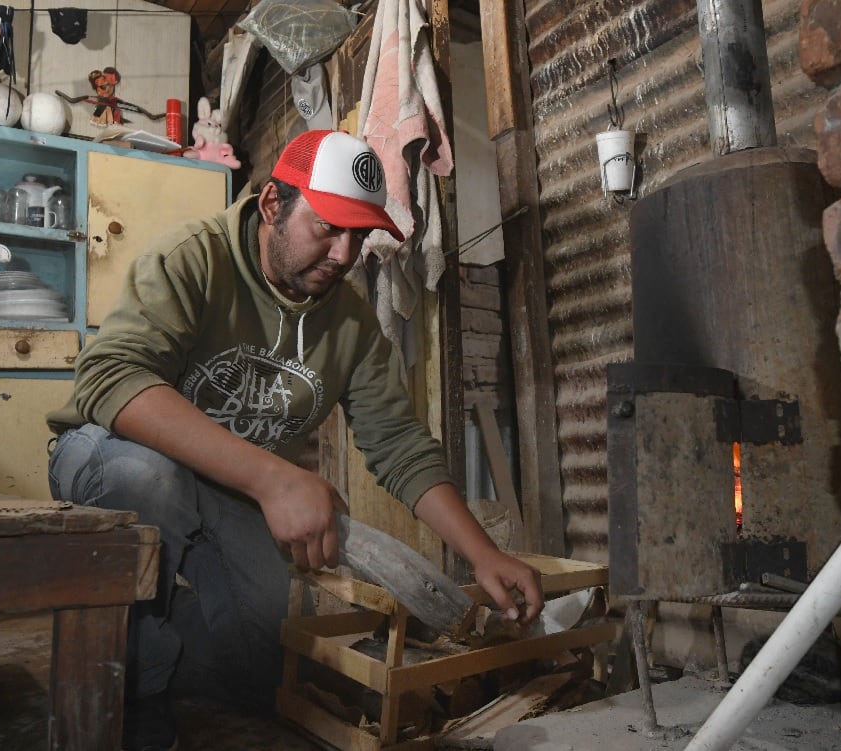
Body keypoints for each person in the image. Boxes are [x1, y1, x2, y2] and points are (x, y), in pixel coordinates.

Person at [45, 129, 543, 751]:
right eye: (328, 227)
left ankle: (140, 645)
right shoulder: (194, 258)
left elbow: (398, 444)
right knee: (149, 481)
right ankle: (124, 688)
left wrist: (482, 554)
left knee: (264, 668)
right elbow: (110, 377)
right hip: (105, 459)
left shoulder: (352, 324)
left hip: (228, 490)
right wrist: (276, 478)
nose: (342, 253)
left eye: (358, 235)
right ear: (273, 205)